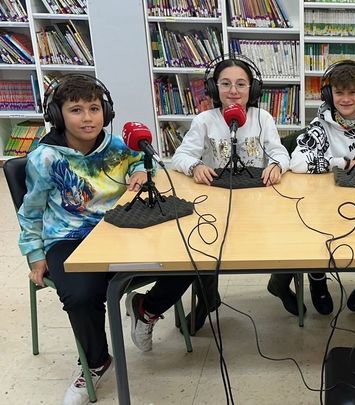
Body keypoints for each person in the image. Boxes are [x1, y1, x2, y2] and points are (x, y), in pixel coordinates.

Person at [17, 74, 194, 405]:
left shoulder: (115, 146)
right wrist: (35, 254)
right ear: (57, 115)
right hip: (69, 237)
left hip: (118, 227)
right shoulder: (44, 158)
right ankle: (96, 362)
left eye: (94, 109)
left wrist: (141, 170)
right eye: (76, 110)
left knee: (191, 258)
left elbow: (143, 160)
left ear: (106, 111)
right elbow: (30, 212)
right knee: (82, 295)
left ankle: (146, 308)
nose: (88, 118)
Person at [171, 56, 290, 328]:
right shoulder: (205, 120)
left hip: (257, 201)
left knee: (287, 233)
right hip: (217, 201)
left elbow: (280, 152)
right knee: (202, 243)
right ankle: (207, 299)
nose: (233, 91)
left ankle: (280, 284)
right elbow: (180, 156)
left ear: (252, 88)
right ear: (214, 88)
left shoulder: (262, 118)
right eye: (225, 84)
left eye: (241, 84)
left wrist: (277, 165)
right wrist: (195, 166)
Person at [267, 60, 355, 316]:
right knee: (313, 232)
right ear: (328, 94)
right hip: (324, 206)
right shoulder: (320, 127)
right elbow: (298, 162)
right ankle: (317, 279)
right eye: (339, 92)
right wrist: (342, 163)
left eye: (352, 92)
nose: (345, 99)